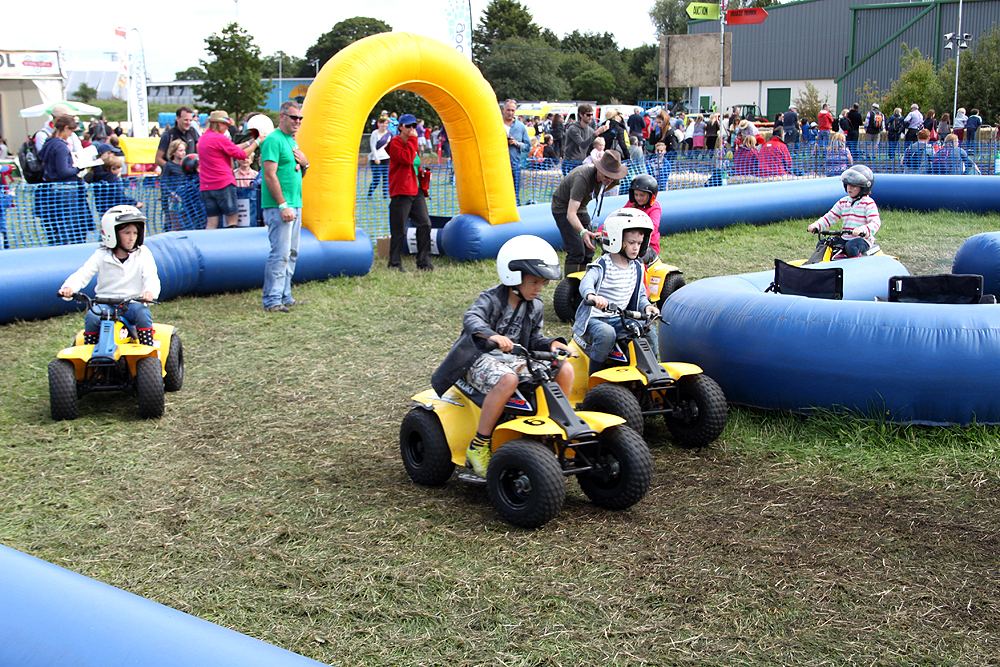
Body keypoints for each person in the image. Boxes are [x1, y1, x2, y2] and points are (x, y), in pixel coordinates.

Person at [430, 235, 571, 477]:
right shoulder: (492, 298)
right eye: (534, 282)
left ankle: (552, 429)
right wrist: (492, 335)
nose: (539, 288)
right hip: (477, 358)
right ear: (512, 276)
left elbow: (534, 338)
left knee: (564, 369)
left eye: (543, 283)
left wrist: (552, 344)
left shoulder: (534, 305)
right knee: (508, 380)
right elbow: (471, 318)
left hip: (512, 359)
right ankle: (480, 444)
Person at [57, 205, 160, 346]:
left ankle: (148, 350)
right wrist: (69, 288)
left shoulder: (143, 253)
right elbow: (83, 274)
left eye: (135, 233)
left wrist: (150, 292)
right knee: (92, 317)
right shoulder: (101, 255)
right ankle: (90, 351)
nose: (132, 238)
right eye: (126, 233)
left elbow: (151, 276)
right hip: (105, 304)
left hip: (131, 304)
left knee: (142, 313)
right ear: (112, 233)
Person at [573, 208, 659, 370]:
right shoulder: (603, 264)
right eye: (631, 243)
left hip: (620, 319)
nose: (636, 247)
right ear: (615, 240)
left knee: (648, 329)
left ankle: (652, 368)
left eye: (639, 243)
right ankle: (595, 375)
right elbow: (586, 282)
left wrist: (647, 306)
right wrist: (592, 296)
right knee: (606, 334)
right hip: (595, 319)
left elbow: (640, 295)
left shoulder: (638, 267)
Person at [261, 101, 308, 313]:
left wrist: (305, 163)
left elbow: (298, 171)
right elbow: (269, 175)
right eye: (293, 118)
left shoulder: (292, 141)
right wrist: (282, 205)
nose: (297, 122)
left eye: (300, 118)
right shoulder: (273, 140)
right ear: (282, 117)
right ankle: (272, 300)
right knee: (280, 253)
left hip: (295, 204)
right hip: (280, 206)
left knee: (292, 252)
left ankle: (285, 295)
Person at [551, 150, 628, 276]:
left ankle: (584, 279)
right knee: (576, 250)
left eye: (612, 177)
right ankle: (570, 286)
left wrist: (601, 190)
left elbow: (613, 182)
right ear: (599, 170)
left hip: (581, 207)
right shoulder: (581, 178)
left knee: (589, 249)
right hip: (563, 208)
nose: (609, 180)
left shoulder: (613, 177)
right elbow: (571, 214)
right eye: (606, 176)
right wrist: (583, 232)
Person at [387, 113, 433, 272]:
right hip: (402, 191)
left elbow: (415, 163)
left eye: (414, 126)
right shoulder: (395, 143)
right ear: (400, 127)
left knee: (425, 224)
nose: (412, 129)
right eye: (408, 126)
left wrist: (422, 174)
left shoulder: (412, 144)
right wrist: (413, 140)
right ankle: (394, 263)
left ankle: (424, 261)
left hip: (416, 190)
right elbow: (406, 159)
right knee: (399, 229)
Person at [197, 110, 258, 229]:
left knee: (211, 223)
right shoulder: (220, 138)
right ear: (219, 124)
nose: (227, 128)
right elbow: (242, 155)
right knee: (232, 220)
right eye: (226, 125)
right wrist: (257, 142)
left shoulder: (203, 138)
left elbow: (231, 148)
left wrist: (249, 142)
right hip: (223, 185)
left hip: (206, 186)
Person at [35, 115, 88, 246]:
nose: (70, 135)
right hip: (65, 190)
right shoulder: (60, 146)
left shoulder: (49, 142)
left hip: (51, 189)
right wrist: (79, 168)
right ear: (65, 128)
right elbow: (63, 172)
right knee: (67, 226)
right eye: (71, 131)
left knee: (56, 226)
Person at [807, 165, 880, 258]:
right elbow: (829, 217)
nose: (849, 188)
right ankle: (824, 268)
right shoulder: (843, 201)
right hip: (845, 237)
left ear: (864, 187)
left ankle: (857, 267)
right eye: (848, 184)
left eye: (853, 185)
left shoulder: (868, 203)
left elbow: (875, 223)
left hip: (862, 239)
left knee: (851, 246)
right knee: (823, 245)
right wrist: (816, 225)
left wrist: (862, 230)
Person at [623, 174, 662, 265]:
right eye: (636, 194)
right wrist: (601, 231)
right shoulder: (631, 204)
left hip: (648, 247)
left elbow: (653, 226)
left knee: (634, 260)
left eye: (642, 195)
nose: (638, 198)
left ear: (651, 196)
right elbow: (619, 216)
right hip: (629, 243)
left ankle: (638, 277)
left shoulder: (655, 208)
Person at [563, 104, 607, 174]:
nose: (591, 117)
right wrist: (597, 133)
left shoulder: (591, 131)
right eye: (588, 115)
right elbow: (583, 144)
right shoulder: (573, 129)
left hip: (583, 162)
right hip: (570, 163)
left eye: (592, 115)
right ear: (581, 114)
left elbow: (591, 147)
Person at [501, 99, 530, 205]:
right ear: (503, 109)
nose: (510, 113)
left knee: (515, 196)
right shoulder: (496, 124)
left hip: (515, 164)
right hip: (498, 165)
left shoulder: (520, 126)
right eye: (508, 110)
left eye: (513, 110)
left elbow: (527, 147)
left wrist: (516, 143)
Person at [161, 139, 188, 231]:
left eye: (184, 150)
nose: (183, 153)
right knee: (176, 223)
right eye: (180, 150)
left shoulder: (186, 165)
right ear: (173, 152)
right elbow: (163, 182)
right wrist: (171, 194)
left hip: (185, 197)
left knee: (184, 222)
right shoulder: (169, 166)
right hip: (174, 199)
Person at [367, 116, 391, 198]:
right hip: (376, 159)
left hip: (386, 158)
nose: (384, 125)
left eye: (386, 123)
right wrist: (376, 157)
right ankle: (369, 194)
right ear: (379, 124)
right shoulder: (375, 133)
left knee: (386, 178)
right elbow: (373, 146)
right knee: (376, 179)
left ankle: (385, 195)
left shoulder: (389, 133)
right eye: (383, 123)